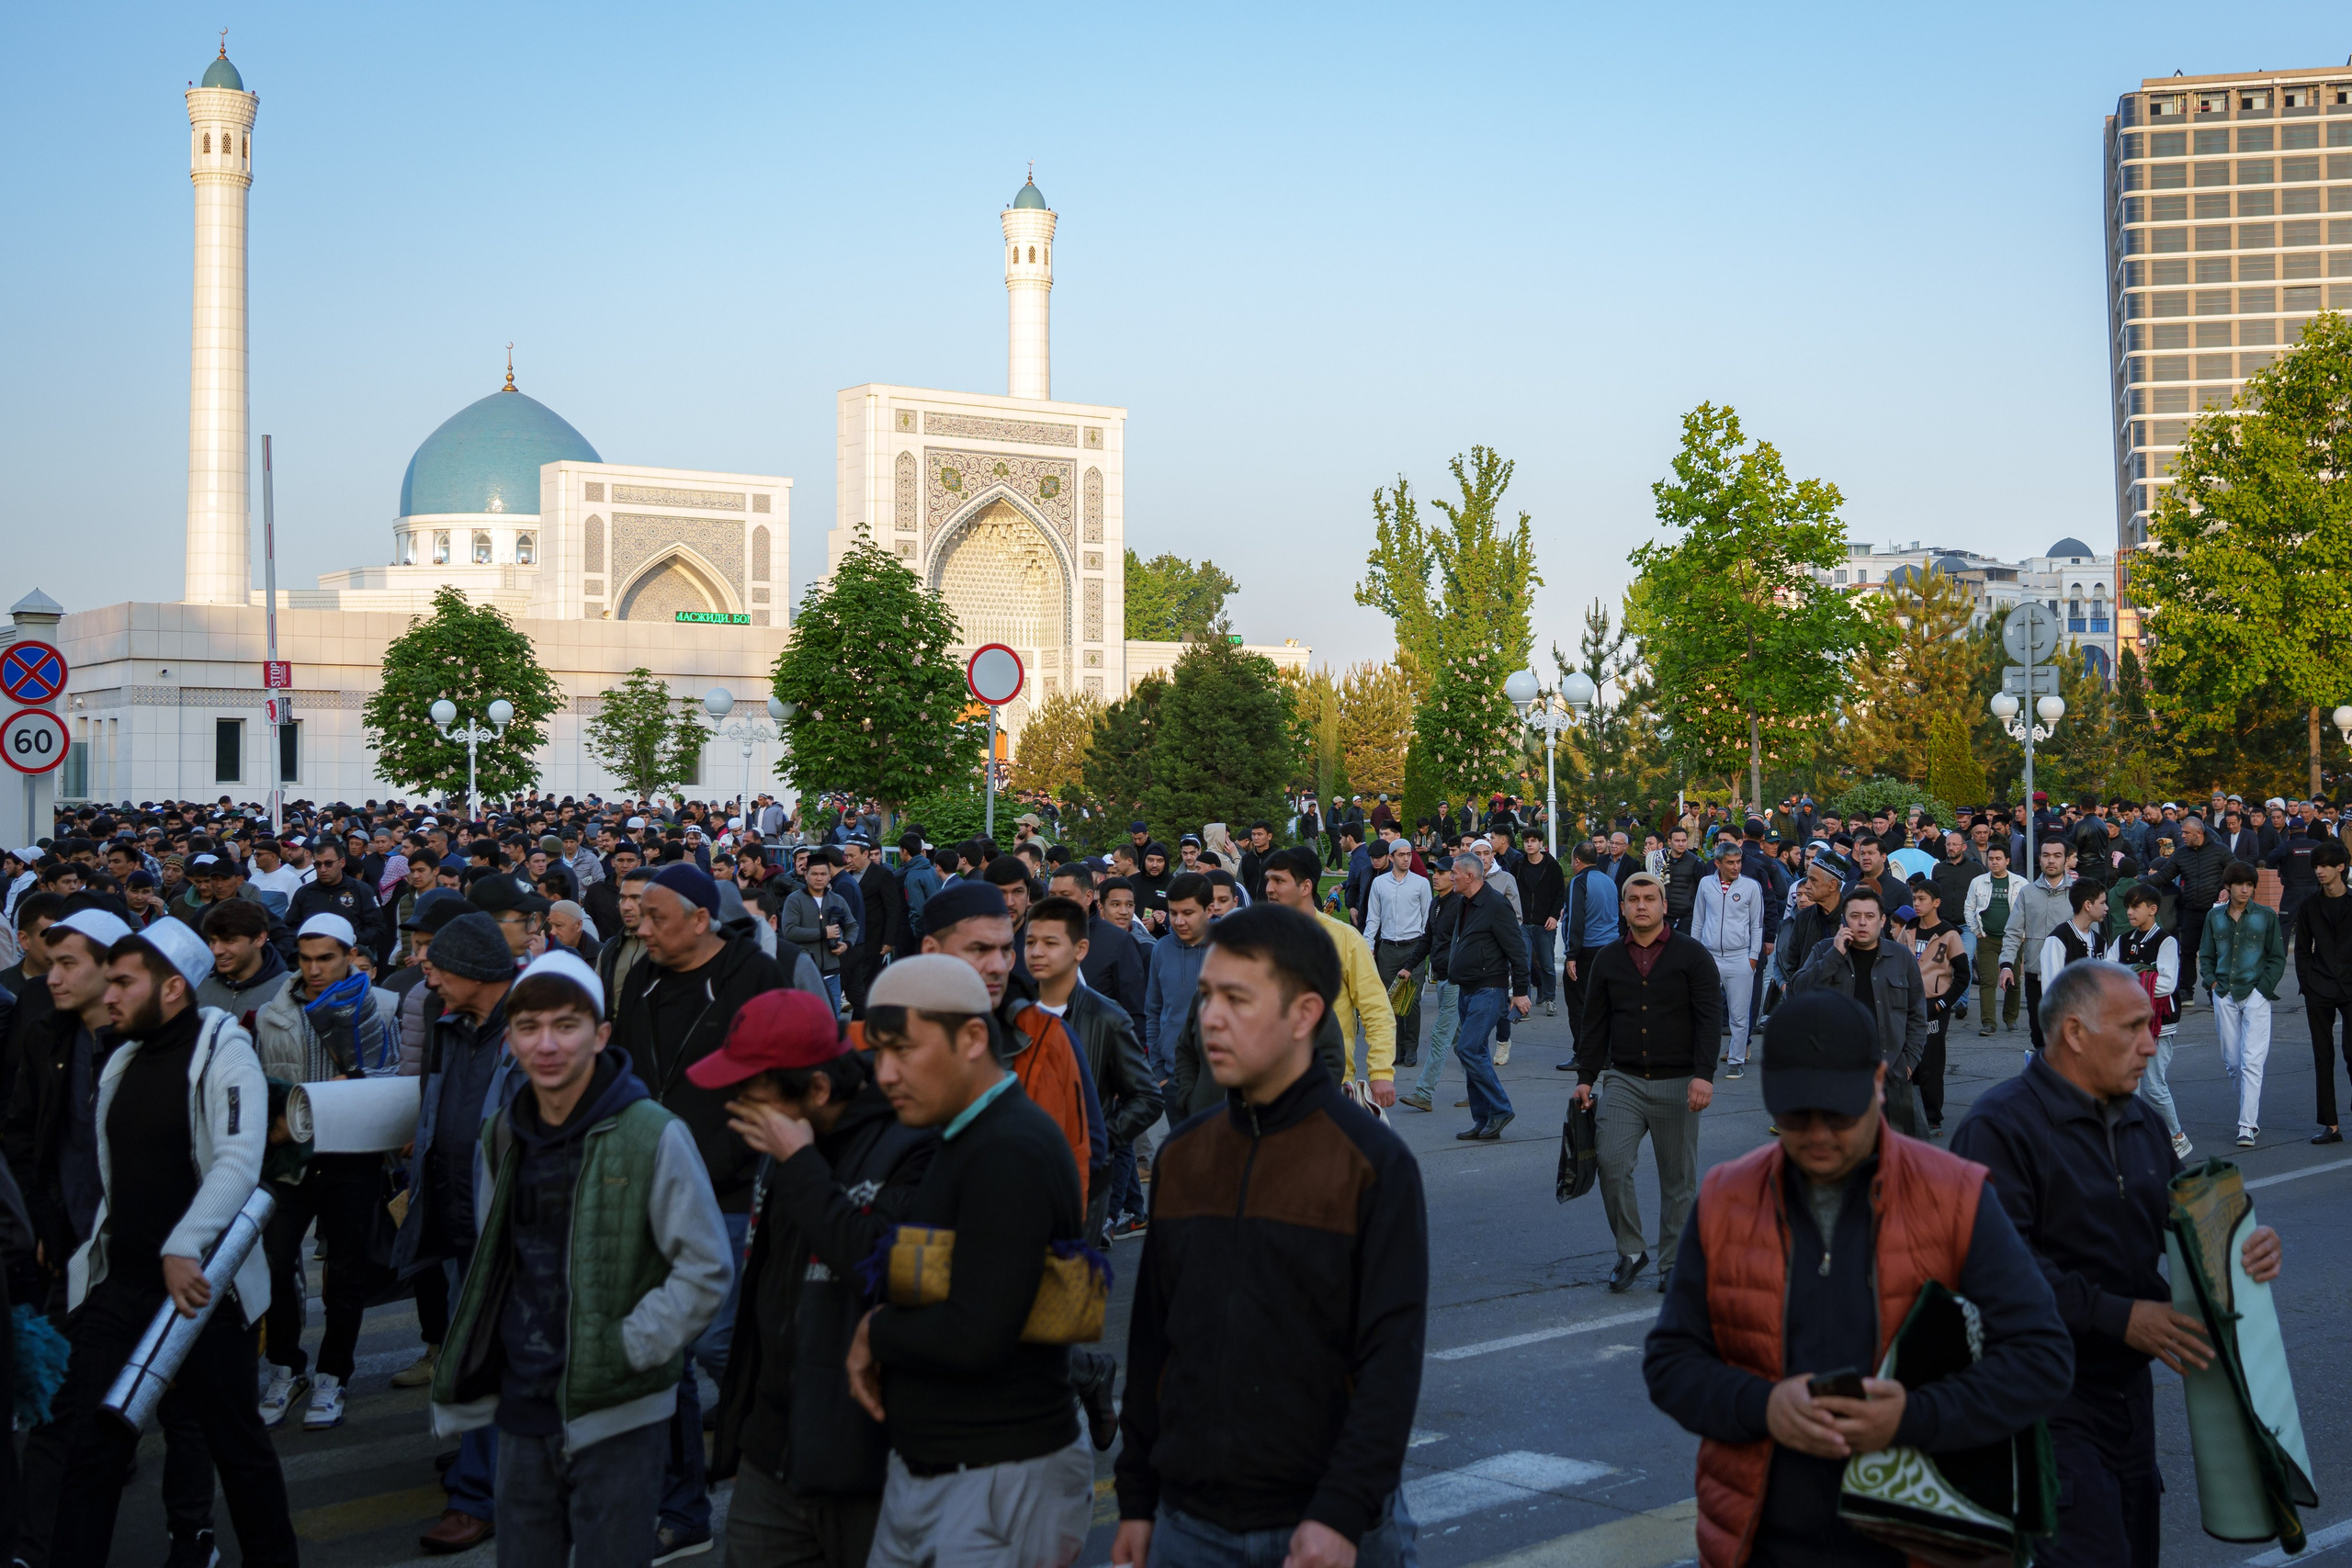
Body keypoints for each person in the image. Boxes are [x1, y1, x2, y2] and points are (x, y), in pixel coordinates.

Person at [1643, 989, 2073, 1568]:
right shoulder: (1724, 1199)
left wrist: (1913, 1417)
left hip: (1919, 1544)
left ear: (1877, 1080)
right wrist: (1764, 1406)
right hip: (1762, 1542)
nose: (1818, 1135)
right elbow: (1672, 1362)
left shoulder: (1956, 1195)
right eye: (1796, 1115)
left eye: (1839, 1114)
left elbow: (2041, 1356)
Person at [1113, 903, 1427, 1568]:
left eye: (1237, 998)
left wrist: (1341, 1511)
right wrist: (1137, 1498)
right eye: (1206, 997)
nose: (1211, 1018)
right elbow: (1151, 1340)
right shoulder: (1184, 1156)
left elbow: (1389, 1359)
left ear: (1305, 1014)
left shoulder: (1370, 1162)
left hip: (1325, 1526)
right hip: (1189, 1522)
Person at [1951, 961, 2286, 1568]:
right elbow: (1992, 1268)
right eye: (2133, 1027)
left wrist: (2243, 1244)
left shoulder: (2140, 1119)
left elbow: (2187, 1217)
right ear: (2075, 1033)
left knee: (2134, 1549)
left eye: (2150, 1026)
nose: (2150, 1042)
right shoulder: (2002, 1126)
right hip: (2043, 1397)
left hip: (2128, 1396)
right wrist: (2119, 1316)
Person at [429, 950, 732, 1568]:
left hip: (616, 1409)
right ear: (508, 1039)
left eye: (566, 1025)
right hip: (523, 1404)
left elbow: (705, 1268)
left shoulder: (653, 1133)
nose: (547, 1044)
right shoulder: (502, 1134)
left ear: (601, 1034)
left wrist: (629, 1346)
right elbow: (497, 1258)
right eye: (529, 1027)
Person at [44, 918, 300, 1568]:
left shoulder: (224, 1049)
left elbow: (240, 1160)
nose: (111, 995)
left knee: (235, 1446)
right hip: (121, 1286)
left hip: (200, 1291)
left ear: (173, 987)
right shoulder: (123, 1057)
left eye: (125, 982)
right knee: (89, 1447)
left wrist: (184, 1244)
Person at [849, 957, 1094, 1565]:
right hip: (945, 1472)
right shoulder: (965, 1134)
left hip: (994, 1485)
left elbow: (977, 1331)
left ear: (974, 1037)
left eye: (904, 1049)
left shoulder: (1009, 1148)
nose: (887, 1073)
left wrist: (873, 1332)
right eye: (877, 1054)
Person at [702, 989, 935, 1568]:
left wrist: (802, 1167)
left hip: (867, 1459)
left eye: (751, 1092)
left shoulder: (913, 1143)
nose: (737, 1106)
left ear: (818, 1090)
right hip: (773, 1449)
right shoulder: (778, 1142)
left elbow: (881, 1269)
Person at [607, 863, 788, 1558]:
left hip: (732, 1192)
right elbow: (626, 1071)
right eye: (638, 913)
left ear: (700, 919)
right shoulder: (642, 980)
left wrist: (739, 1163)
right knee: (670, 1355)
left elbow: (780, 1082)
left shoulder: (753, 978)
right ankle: (682, 1507)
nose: (641, 926)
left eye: (654, 916)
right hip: (650, 1188)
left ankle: (795, 1442)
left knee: (718, 1340)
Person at [398, 910, 524, 1554]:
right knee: (470, 1350)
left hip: (506, 1222)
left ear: (474, 971)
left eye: (435, 962)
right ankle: (485, 1462)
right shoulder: (447, 1023)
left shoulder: (531, 1027)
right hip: (451, 1214)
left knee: (492, 1357)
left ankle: (481, 1493)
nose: (427, 974)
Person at [251, 911, 401, 1432]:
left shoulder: (383, 1006)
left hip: (352, 1158)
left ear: (349, 956)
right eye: (306, 959)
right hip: (289, 1159)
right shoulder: (272, 1011)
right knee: (274, 1264)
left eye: (326, 959)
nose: (315, 969)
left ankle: (334, 1373)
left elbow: (396, 1075)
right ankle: (287, 1367)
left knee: (345, 1273)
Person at [1572, 872, 1720, 1292]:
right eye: (1633, 899)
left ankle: (1673, 1263)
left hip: (1679, 1083)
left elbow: (1710, 1021)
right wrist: (1586, 1077)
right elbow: (1594, 1023)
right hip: (1624, 1081)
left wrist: (1704, 1076)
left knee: (1678, 1179)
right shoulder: (1607, 958)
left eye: (1649, 898)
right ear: (1622, 908)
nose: (1641, 905)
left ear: (1663, 905)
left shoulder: (1692, 955)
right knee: (1611, 1162)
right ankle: (1631, 1250)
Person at [1025, 897, 1160, 1245]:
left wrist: (1097, 1140)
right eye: (1030, 942)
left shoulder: (1107, 1017)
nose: (1037, 952)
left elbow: (1145, 1097)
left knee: (1071, 1279)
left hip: (1085, 1177)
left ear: (1080, 949)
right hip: (1022, 1170)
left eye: (1050, 943)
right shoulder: (1014, 1014)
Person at [1788, 886, 1929, 1136]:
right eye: (1855, 916)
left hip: (1891, 1075)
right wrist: (1835, 955)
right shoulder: (1824, 951)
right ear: (1844, 920)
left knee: (1898, 1159)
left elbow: (1917, 1014)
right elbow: (1798, 992)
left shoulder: (1901, 957)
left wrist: (1908, 1063)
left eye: (1870, 916)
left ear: (1882, 920)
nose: (1862, 922)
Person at [1261, 847, 1397, 1103]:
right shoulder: (1256, 940)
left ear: (1305, 887)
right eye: (1268, 880)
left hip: (1328, 1082)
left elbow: (1376, 1010)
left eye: (1278, 880)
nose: (1269, 888)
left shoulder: (1345, 940)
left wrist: (1381, 1072)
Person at [1431, 852, 1528, 1140]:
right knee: (1474, 1052)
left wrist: (1520, 992)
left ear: (1469, 876)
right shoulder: (1464, 902)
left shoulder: (1496, 905)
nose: (1451, 877)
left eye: (1455, 874)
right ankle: (1483, 1118)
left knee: (1469, 1049)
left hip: (1489, 990)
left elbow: (1518, 952)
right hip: (1466, 990)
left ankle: (1500, 1109)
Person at [2201, 860, 2285, 1147]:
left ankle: (2246, 1125)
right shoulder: (2215, 917)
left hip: (2256, 995)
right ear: (2228, 886)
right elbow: (2206, 954)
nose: (2246, 889)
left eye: (2250, 885)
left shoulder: (2265, 916)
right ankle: (2249, 1115)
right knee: (2233, 1063)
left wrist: (2263, 990)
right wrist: (2211, 983)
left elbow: (2277, 957)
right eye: (2240, 884)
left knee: (2251, 1062)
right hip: (2223, 993)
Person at [2115, 884, 2190, 1159]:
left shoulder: (2167, 941)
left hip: (2160, 1023)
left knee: (2154, 1085)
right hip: (2130, 1023)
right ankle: (2134, 1138)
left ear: (2153, 909)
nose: (2130, 911)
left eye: (2136, 906)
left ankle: (2177, 1136)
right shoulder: (2122, 940)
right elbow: (2109, 975)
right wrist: (2144, 974)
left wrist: (2129, 977)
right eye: (2128, 906)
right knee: (2129, 1084)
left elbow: (2167, 985)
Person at [1691, 836, 1764, 1078]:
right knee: (1704, 1010)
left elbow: (1757, 925)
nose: (1736, 867)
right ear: (1718, 864)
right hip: (1709, 956)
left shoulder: (1751, 887)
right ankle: (1702, 1058)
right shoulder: (1705, 884)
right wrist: (1696, 952)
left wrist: (1752, 957)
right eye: (1730, 862)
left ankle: (1736, 1059)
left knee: (1740, 1014)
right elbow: (1698, 920)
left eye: (1738, 862)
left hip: (1739, 957)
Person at [1996, 840, 2075, 1054]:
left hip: (2069, 976)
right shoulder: (2027, 893)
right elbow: (2013, 931)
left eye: (2057, 855)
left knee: (2068, 1035)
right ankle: (2044, 1080)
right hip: (2035, 973)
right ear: (2039, 858)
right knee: (2039, 1035)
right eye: (2046, 855)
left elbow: (2091, 934)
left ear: (2066, 860)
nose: (2051, 860)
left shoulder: (2078, 893)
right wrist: (2005, 964)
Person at [1905, 880, 1969, 1138]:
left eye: (1922, 899)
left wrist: (1944, 1003)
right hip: (1908, 1003)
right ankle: (1910, 1111)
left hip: (1934, 1006)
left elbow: (1963, 975)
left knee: (1930, 1061)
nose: (1916, 904)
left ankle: (1933, 1117)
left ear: (1936, 903)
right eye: (1914, 899)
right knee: (1908, 1059)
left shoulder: (1949, 934)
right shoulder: (1908, 929)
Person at [1363, 834, 1432, 1069]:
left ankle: (1411, 1047)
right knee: (1389, 1001)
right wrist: (1368, 945)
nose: (1406, 859)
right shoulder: (1379, 883)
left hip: (1414, 947)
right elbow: (1373, 918)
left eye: (1409, 854)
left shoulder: (1421, 883)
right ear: (1391, 858)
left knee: (1411, 1002)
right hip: (1388, 948)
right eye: (1401, 855)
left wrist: (1423, 949)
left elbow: (1427, 920)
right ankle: (1395, 1047)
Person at [2300, 838, 2352, 1144]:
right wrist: (2307, 983)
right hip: (2319, 988)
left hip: (2350, 987)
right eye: (2316, 866)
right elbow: (2303, 949)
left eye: (2324, 866)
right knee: (2323, 1056)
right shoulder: (2309, 905)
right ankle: (2330, 1125)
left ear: (2340, 868)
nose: (2319, 871)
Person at [2146, 814, 2230, 1007]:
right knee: (2187, 951)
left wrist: (2226, 888)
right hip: (2191, 909)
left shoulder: (2220, 850)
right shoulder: (2181, 853)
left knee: (2215, 952)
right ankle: (2186, 991)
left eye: (2185, 832)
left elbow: (2236, 870)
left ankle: (2214, 990)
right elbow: (2164, 875)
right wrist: (2137, 882)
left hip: (2214, 911)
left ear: (2199, 833)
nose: (2181, 835)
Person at [1140, 874, 1214, 1090]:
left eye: (1188, 913)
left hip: (1218, 1082)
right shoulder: (1161, 950)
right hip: (1172, 1079)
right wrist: (1159, 1071)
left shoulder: (1228, 949)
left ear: (1208, 911)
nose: (1179, 921)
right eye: (1173, 913)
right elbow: (1153, 1011)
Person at [1560, 841, 1622, 1048]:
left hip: (1586, 951)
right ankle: (1607, 1052)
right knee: (1605, 1003)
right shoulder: (1608, 881)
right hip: (1611, 948)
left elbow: (1575, 921)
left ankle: (1584, 1053)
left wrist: (1571, 955)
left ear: (1577, 861)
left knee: (1579, 1006)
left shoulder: (1578, 882)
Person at [782, 850, 859, 1015]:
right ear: (806, 875)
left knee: (833, 1021)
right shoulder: (794, 900)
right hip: (803, 973)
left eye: (823, 874)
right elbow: (789, 931)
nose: (819, 878)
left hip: (832, 974)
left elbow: (853, 925)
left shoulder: (837, 899)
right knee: (804, 1021)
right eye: (814, 874)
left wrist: (847, 944)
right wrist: (823, 933)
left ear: (829, 876)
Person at [1962, 841, 2020, 1036]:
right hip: (1987, 938)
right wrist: (1976, 931)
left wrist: (2023, 935)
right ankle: (1988, 1023)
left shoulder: (2021, 883)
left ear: (2007, 861)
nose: (1994, 862)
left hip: (2013, 939)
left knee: (2014, 982)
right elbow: (1969, 908)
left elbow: (2029, 911)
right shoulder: (1977, 882)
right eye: (1991, 859)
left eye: (1998, 859)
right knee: (1988, 980)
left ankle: (2011, 1018)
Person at [1513, 831, 1566, 1017]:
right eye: (1526, 841)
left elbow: (1560, 893)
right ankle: (1523, 1003)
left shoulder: (1552, 866)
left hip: (1545, 923)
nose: (1529, 844)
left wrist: (1553, 916)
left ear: (1541, 843)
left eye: (1533, 841)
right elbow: (1511, 891)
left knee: (1547, 964)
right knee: (1523, 964)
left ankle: (1550, 999)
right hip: (1523, 923)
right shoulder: (1518, 865)